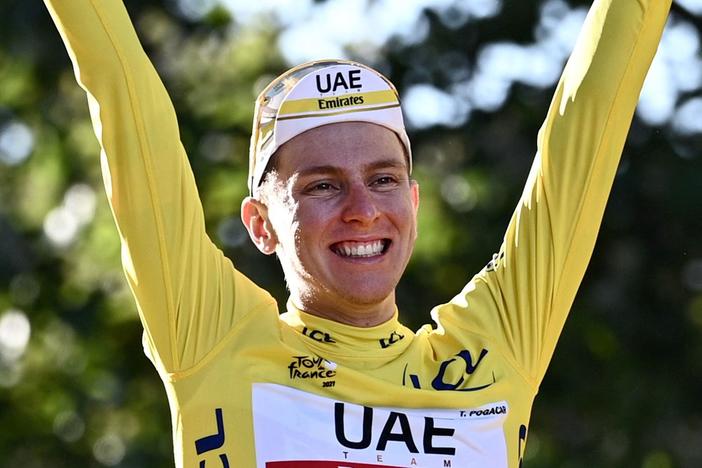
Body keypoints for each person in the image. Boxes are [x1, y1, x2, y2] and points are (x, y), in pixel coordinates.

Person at [44, 0, 670, 466]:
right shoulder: (213, 336)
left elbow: (588, 125)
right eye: (321, 185)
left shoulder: (494, 350)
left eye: (384, 179)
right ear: (261, 225)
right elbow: (124, 96)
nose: (363, 210)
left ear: (415, 203)